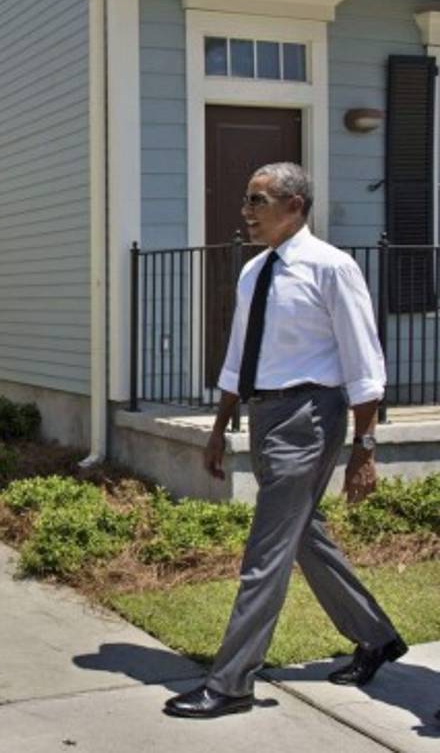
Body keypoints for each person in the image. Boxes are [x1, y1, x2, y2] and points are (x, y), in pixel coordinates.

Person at [164, 163, 406, 720]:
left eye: (258, 200)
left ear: (294, 206)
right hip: (266, 413)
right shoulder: (255, 273)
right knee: (301, 535)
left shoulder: (332, 268)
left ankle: (231, 684)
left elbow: (364, 364)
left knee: (265, 553)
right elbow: (237, 354)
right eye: (247, 200)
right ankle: (375, 636)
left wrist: (365, 451)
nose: (246, 211)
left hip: (310, 416)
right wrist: (221, 426)